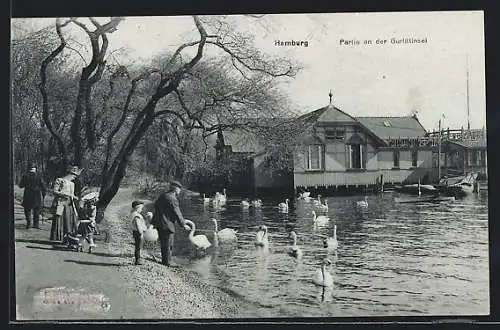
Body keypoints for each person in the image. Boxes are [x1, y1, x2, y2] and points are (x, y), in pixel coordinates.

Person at [150, 181, 190, 267]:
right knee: (169, 244)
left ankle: (165, 260)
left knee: (164, 243)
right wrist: (183, 225)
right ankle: (167, 262)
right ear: (176, 189)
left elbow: (156, 206)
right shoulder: (173, 198)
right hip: (167, 224)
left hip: (159, 223)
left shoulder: (163, 196)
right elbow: (177, 213)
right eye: (179, 190)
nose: (179, 192)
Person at [50, 165, 81, 242]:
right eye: (74, 175)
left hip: (69, 204)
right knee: (59, 219)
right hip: (61, 203)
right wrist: (63, 194)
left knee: (68, 221)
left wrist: (75, 197)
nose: (74, 177)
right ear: (70, 174)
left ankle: (67, 238)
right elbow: (55, 191)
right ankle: (58, 237)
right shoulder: (60, 180)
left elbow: (72, 194)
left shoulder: (72, 184)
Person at [18, 164, 47, 229]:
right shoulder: (39, 177)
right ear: (35, 169)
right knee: (36, 210)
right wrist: (44, 194)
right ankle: (36, 225)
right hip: (37, 196)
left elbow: (20, 186)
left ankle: (29, 224)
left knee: (27, 210)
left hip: (28, 196)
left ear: (29, 169)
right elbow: (43, 187)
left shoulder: (25, 176)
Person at [130, 200, 147, 265]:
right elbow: (137, 224)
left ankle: (138, 259)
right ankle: (138, 260)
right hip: (138, 232)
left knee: (137, 246)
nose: (142, 210)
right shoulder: (137, 215)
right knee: (138, 246)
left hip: (135, 232)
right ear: (137, 208)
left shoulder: (133, 214)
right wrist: (141, 232)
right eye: (141, 208)